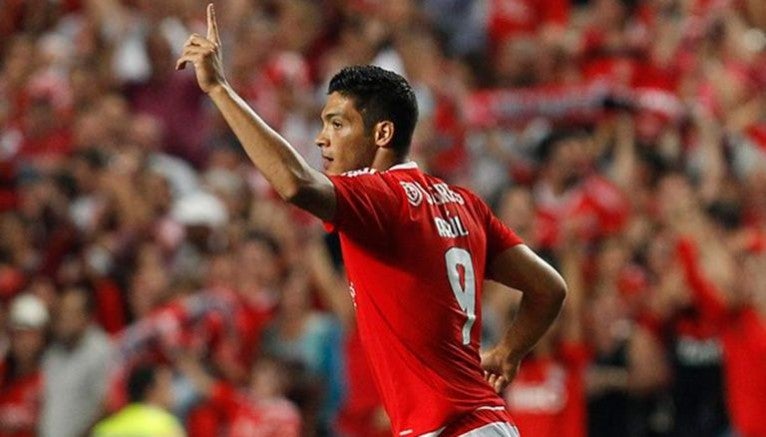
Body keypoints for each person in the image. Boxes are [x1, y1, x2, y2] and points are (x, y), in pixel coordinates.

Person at [176, 5, 566, 436]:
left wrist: (219, 89)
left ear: (382, 134)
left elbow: (294, 184)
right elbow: (548, 288)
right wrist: (509, 351)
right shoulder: (464, 202)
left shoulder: (382, 199)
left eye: (337, 124)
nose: (322, 137)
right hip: (482, 424)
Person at [39, 287, 112, 437]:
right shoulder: (52, 353)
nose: (63, 318)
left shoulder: (101, 350)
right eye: (61, 311)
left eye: (71, 312)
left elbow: (106, 405)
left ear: (87, 317)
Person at [92, 363, 185, 437]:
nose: (173, 391)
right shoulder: (164, 424)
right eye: (167, 386)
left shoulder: (105, 429)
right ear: (151, 390)